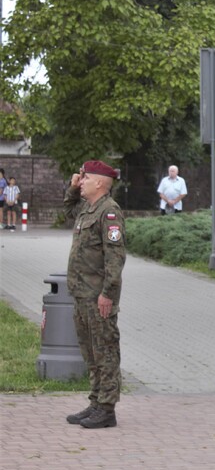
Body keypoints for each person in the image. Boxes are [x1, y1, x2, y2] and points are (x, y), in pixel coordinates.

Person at [63, 161, 126, 429]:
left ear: (100, 182)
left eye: (86, 178)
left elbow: (115, 258)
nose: (82, 181)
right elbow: (68, 210)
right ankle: (96, 402)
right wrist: (72, 187)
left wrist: (108, 294)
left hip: (98, 296)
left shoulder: (109, 212)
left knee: (105, 352)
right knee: (91, 352)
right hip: (82, 294)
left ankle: (107, 409)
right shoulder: (88, 209)